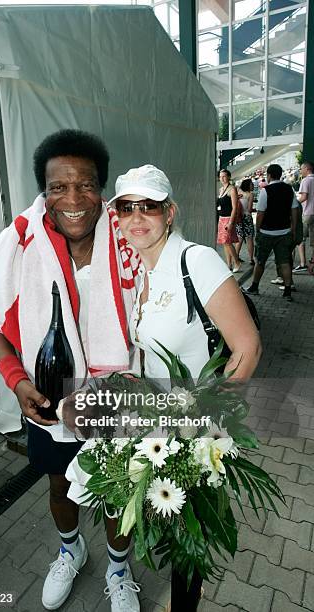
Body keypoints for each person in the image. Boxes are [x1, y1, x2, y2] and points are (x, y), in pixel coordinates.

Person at [0, 129, 141, 612]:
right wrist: (17, 381)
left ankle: (118, 568)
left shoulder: (130, 236)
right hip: (49, 399)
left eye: (85, 185)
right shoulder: (21, 240)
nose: (72, 199)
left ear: (101, 188)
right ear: (43, 190)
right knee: (61, 482)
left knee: (118, 487)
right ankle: (71, 550)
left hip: (118, 395)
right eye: (58, 187)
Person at [108, 164, 262, 611]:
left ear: (170, 212)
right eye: (127, 209)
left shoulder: (195, 259)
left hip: (193, 435)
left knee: (188, 546)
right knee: (174, 533)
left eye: (149, 207)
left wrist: (208, 426)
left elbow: (247, 346)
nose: (137, 218)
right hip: (157, 430)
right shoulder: (143, 272)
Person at [244, 164, 299, 302]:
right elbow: (294, 210)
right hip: (284, 231)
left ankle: (254, 287)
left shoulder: (265, 191)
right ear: (280, 174)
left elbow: (261, 213)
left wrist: (258, 229)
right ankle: (287, 291)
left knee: (260, 261)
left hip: (266, 232)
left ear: (269, 175)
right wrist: (293, 228)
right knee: (285, 262)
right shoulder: (289, 189)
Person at [216, 169, 241, 272]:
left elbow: (235, 207)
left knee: (227, 242)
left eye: (224, 176)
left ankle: (237, 262)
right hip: (221, 218)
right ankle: (229, 264)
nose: (222, 178)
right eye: (220, 177)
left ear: (229, 177)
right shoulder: (221, 189)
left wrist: (231, 222)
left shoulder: (232, 189)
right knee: (225, 242)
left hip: (228, 218)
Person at [293, 161, 314, 273]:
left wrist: (294, 202)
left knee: (300, 238)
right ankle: (313, 262)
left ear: (307, 169)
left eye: (301, 169)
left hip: (307, 213)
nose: (300, 171)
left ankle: (302, 264)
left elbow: (304, 197)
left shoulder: (306, 180)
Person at [235, 178, 255, 265]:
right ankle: (251, 259)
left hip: (238, 218)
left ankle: (236, 257)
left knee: (239, 238)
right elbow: (249, 209)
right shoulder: (250, 195)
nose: (253, 186)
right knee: (249, 238)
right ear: (248, 185)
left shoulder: (238, 192)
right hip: (247, 218)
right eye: (251, 184)